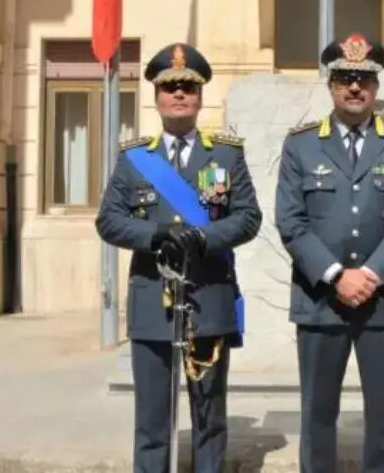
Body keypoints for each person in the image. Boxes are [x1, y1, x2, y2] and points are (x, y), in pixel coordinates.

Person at [95, 42, 262, 473]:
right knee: (152, 420)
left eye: (188, 86)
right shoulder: (135, 160)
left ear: (200, 95)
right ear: (156, 96)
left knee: (209, 417)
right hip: (154, 301)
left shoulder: (225, 154)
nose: (179, 94)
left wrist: (202, 238)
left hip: (209, 298)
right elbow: (109, 222)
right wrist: (156, 235)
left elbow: (248, 218)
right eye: (170, 87)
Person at [274, 33, 384, 473]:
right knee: (318, 415)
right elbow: (291, 220)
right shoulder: (301, 144)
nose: (355, 87)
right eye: (345, 78)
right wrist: (337, 275)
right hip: (321, 300)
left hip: (382, 301)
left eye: (364, 78)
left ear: (376, 86)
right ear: (331, 85)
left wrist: (372, 275)